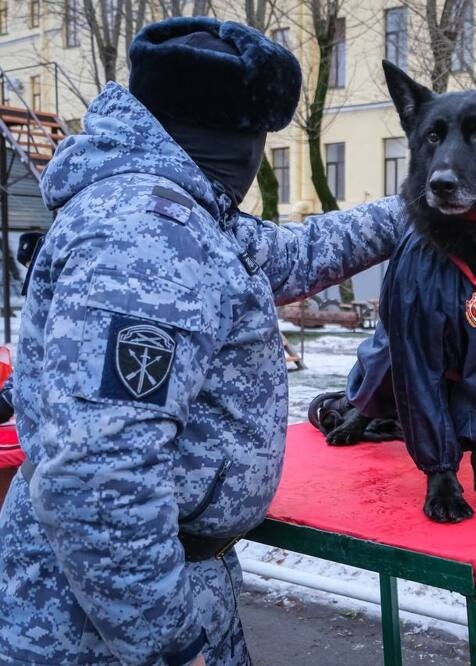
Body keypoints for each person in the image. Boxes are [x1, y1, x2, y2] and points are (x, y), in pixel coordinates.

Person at [0, 17, 404, 666]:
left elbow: (298, 254)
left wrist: (416, 207)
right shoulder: (149, 235)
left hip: (169, 590)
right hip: (105, 629)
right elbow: (101, 480)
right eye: (253, 138)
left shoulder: (183, 212)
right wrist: (175, 645)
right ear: (224, 136)